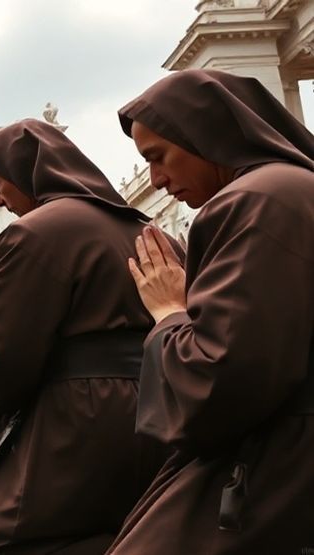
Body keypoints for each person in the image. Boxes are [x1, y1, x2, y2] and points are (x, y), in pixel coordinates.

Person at [108, 69, 314, 553]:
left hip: (278, 458)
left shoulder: (253, 200)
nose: (156, 181)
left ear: (202, 134)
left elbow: (219, 379)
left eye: (158, 158)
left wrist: (168, 312)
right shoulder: (289, 188)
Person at [0, 119, 172, 554]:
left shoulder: (34, 233)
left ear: (26, 173)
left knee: (5, 540)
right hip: (155, 407)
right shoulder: (151, 230)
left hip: (74, 413)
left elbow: (2, 356)